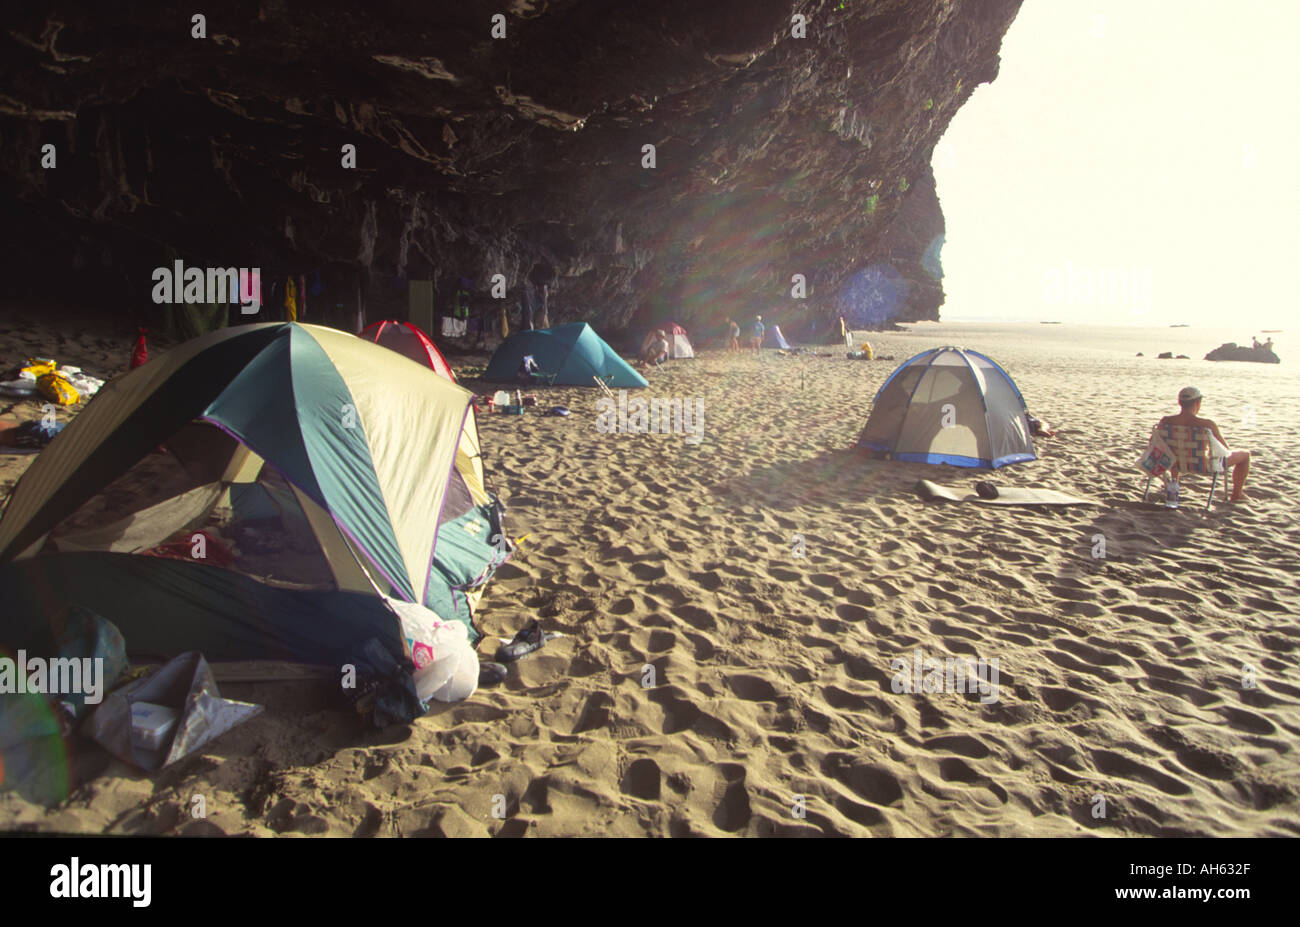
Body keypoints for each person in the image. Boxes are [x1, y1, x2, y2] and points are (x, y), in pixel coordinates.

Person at [1159, 386, 1250, 502]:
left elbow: (1159, 444)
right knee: (1245, 455)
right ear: (1198, 403)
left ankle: (1174, 482)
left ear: (1179, 402)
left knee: (1176, 450)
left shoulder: (1165, 421)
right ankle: (1237, 494)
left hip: (1173, 462)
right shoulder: (1207, 424)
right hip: (1202, 466)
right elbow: (1225, 450)